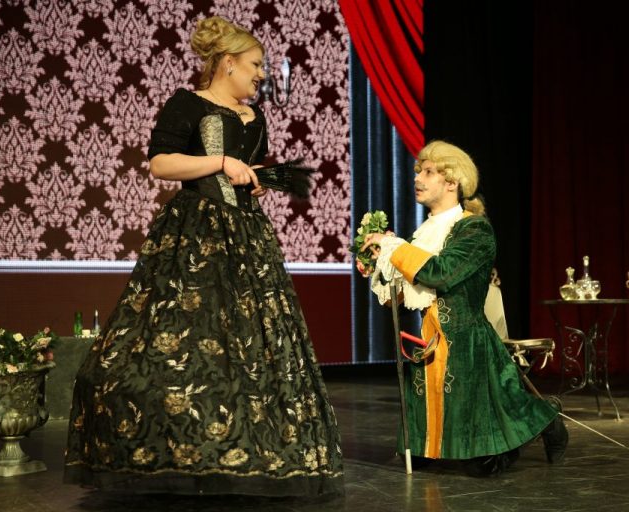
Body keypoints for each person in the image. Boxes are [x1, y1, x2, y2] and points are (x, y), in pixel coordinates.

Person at [63, 16, 343, 497]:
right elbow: (160, 163)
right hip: (195, 234)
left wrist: (258, 178)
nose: (261, 74)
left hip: (247, 239)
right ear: (228, 63)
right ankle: (178, 449)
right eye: (255, 65)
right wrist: (220, 162)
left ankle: (243, 453)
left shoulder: (256, 117)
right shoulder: (187, 103)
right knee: (183, 340)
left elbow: (243, 169)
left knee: (248, 348)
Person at [361, 140, 567, 475]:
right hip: (430, 341)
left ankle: (548, 419)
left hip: (467, 344)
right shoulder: (423, 234)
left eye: (429, 172)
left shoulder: (474, 229)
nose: (417, 178)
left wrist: (394, 248)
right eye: (418, 171)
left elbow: (441, 273)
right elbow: (399, 298)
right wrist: (382, 265)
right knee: (422, 459)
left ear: (452, 182)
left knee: (483, 463)